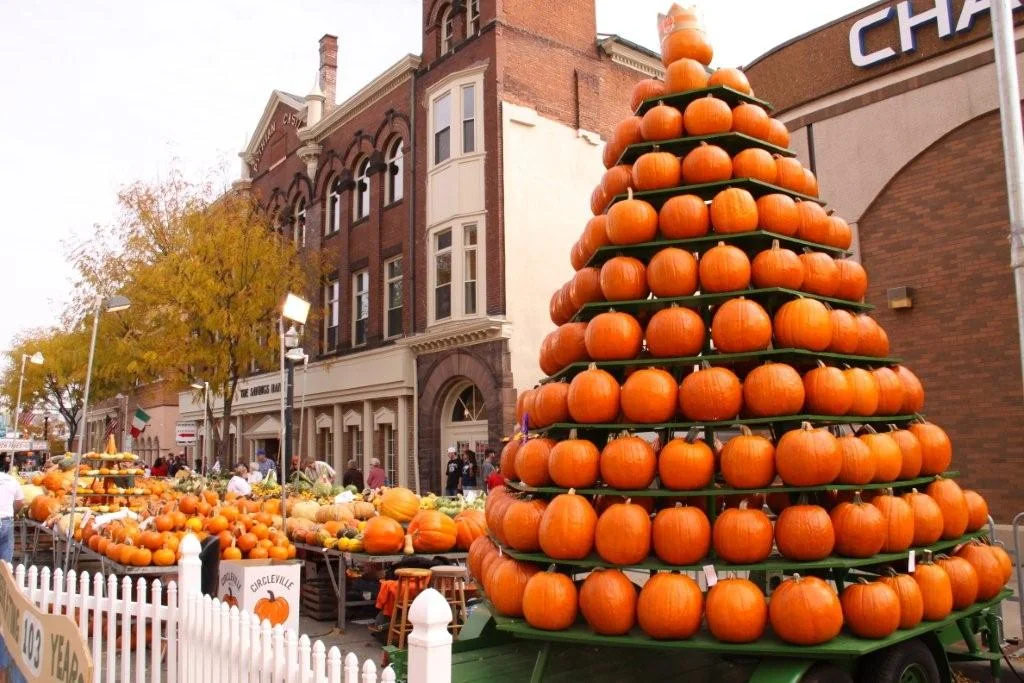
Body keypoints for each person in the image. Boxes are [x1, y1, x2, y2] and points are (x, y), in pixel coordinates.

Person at [0, 459, 24, 563]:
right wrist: (14, 512)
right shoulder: (12, 480)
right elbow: (20, 502)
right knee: (5, 561)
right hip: (6, 520)